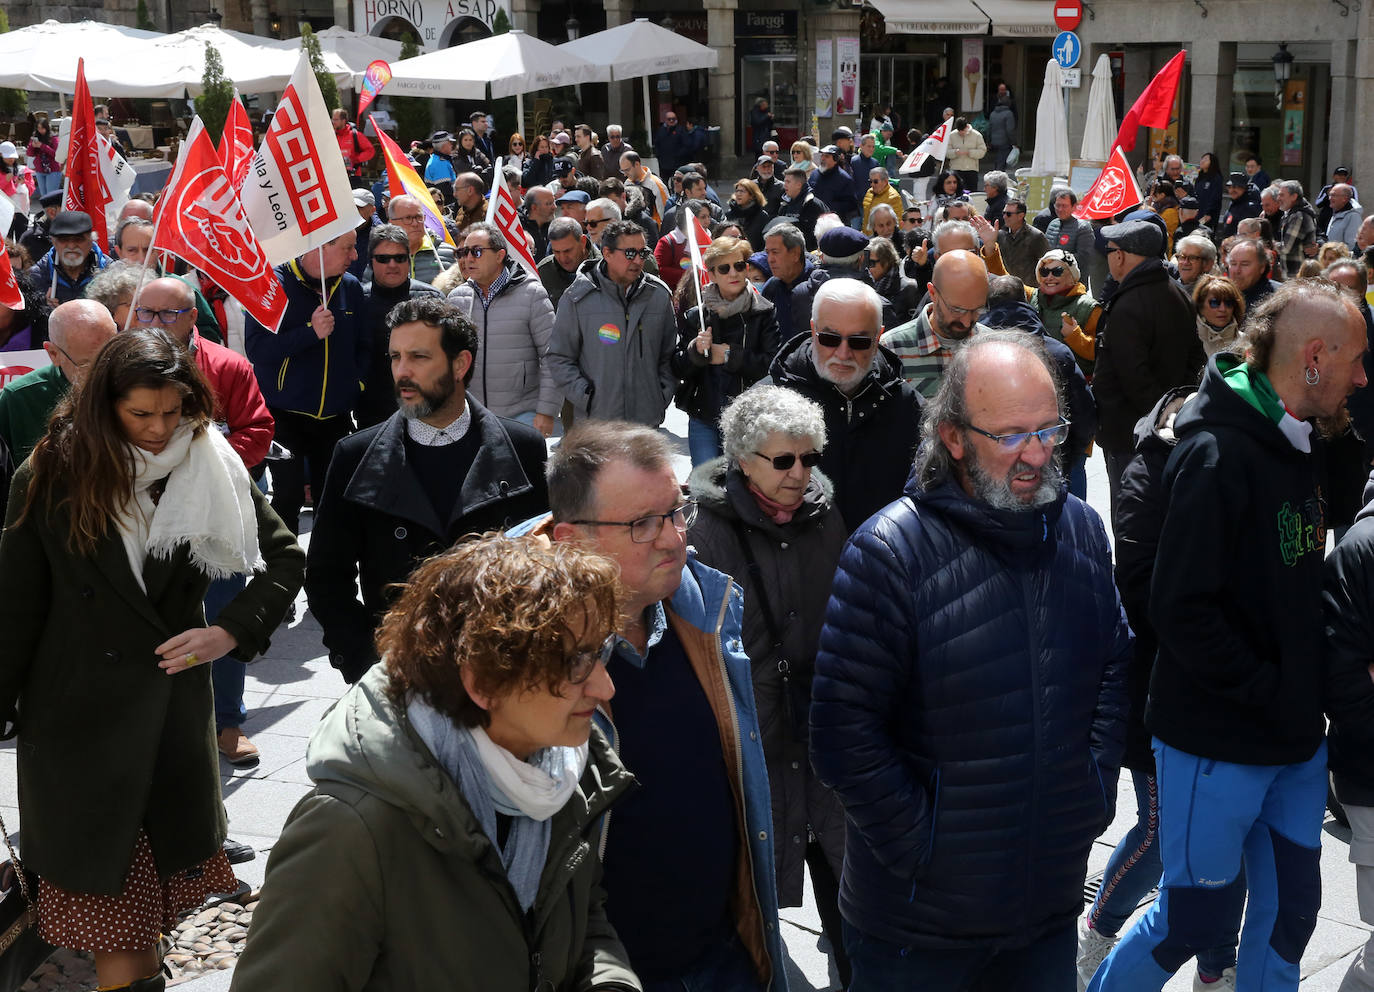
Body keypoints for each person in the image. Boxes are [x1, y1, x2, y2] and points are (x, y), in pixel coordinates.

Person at [812, 329, 1130, 992]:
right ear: (953, 436)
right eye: (1011, 434)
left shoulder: (1080, 527)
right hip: (918, 933)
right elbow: (843, 734)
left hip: (1043, 913)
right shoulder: (889, 551)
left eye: (1051, 429)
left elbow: (1113, 668)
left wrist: (1090, 797)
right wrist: (925, 850)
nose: (1038, 454)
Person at [0, 327, 303, 992]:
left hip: (170, 728)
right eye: (141, 414)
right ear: (102, 404)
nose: (160, 429)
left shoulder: (210, 461)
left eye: (173, 412)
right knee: (123, 935)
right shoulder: (48, 472)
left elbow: (286, 559)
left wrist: (228, 633)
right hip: (76, 731)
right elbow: (15, 608)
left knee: (140, 930)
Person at [1087, 278, 1368, 991]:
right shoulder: (1215, 454)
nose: (1364, 378)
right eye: (1356, 360)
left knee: (1292, 913)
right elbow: (1181, 610)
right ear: (1312, 357)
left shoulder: (1302, 432)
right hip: (1216, 741)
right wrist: (1270, 690)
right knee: (1195, 922)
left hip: (1294, 740)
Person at [235, 534, 641, 992]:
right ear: (483, 682)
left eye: (599, 652)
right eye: (574, 663)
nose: (605, 687)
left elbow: (580, 923)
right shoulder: (350, 830)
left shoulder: (561, 771)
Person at [514, 422, 786, 992]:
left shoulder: (702, 603)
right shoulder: (519, 653)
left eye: (677, 511)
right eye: (642, 524)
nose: (675, 540)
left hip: (723, 956)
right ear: (569, 539)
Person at [1077, 382, 1245, 992]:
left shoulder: (1248, 458)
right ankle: (1100, 926)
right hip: (1159, 684)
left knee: (1234, 832)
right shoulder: (1151, 469)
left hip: (1230, 691)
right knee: (1159, 826)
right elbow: (1145, 587)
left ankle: (1217, 965)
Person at [686, 385, 850, 988]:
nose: (799, 473)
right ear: (741, 460)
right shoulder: (702, 530)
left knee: (847, 881)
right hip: (748, 735)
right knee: (750, 893)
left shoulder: (825, 513)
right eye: (783, 460)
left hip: (821, 730)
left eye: (808, 458)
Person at [306, 297, 549, 685]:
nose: (402, 372)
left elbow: (547, 566)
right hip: (399, 677)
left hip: (500, 677)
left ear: (460, 364)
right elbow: (325, 577)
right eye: (395, 357)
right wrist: (367, 665)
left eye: (418, 357)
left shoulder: (523, 448)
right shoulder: (354, 455)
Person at [130, 277, 277, 765]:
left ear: (193, 318)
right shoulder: (122, 367)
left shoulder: (228, 366)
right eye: (145, 313)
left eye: (167, 314)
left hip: (214, 517)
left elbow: (258, 429)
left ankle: (228, 721)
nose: (154, 323)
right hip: (144, 516)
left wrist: (203, 470)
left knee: (221, 614)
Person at [770, 279, 924, 531]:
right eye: (830, 338)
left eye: (859, 341)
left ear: (878, 337)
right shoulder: (768, 403)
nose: (843, 354)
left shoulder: (909, 408)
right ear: (813, 330)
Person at [244, 228, 369, 536]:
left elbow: (364, 346)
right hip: (284, 416)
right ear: (323, 247)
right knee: (287, 496)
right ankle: (281, 571)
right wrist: (309, 334)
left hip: (335, 418)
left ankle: (327, 576)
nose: (355, 255)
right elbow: (258, 350)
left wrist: (357, 385)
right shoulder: (273, 284)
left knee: (332, 500)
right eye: (348, 248)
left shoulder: (350, 287)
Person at [1092, 220, 1202, 521]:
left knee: (1131, 516)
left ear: (1123, 256)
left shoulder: (1129, 304)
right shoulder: (1177, 293)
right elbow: (1196, 358)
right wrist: (1172, 412)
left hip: (1132, 434)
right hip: (1166, 429)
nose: (1109, 257)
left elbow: (1134, 378)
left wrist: (1154, 419)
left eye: (1110, 251)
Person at [547, 220, 676, 426]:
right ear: (607, 253)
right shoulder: (577, 297)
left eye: (643, 253)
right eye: (630, 253)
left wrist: (660, 396)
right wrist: (587, 398)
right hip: (596, 425)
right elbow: (559, 357)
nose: (638, 260)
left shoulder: (658, 296)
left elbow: (668, 354)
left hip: (645, 424)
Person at [671, 236, 780, 466]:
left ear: (747, 269)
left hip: (748, 420)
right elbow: (678, 366)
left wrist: (731, 356)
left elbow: (772, 365)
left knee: (742, 490)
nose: (733, 273)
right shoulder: (697, 316)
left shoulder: (764, 312)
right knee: (707, 489)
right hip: (705, 416)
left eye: (739, 266)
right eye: (724, 268)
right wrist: (696, 351)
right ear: (712, 274)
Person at [444, 222, 559, 436]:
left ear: (500, 255)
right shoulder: (457, 298)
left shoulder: (532, 294)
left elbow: (552, 356)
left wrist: (546, 411)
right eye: (463, 252)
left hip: (523, 415)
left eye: (477, 252)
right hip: (470, 416)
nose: (468, 258)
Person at [0, 298, 114, 473]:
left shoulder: (133, 384)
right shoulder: (18, 399)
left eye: (112, 356)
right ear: (53, 353)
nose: (104, 371)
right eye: (87, 365)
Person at [357, 225, 443, 429]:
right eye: (383, 259)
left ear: (409, 258)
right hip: (372, 414)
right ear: (371, 261)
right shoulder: (358, 301)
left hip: (425, 411)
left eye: (400, 257)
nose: (392, 264)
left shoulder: (431, 298)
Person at [882, 248, 990, 398]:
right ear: (932, 294)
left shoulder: (995, 346)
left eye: (977, 310)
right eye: (957, 309)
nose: (966, 322)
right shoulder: (891, 349)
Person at [1030, 249, 1100, 377]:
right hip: (1040, 378)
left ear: (1072, 276)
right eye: (1044, 272)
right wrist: (990, 248)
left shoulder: (1089, 307)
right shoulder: (1033, 296)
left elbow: (1099, 353)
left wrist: (1074, 335)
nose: (1049, 277)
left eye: (1057, 272)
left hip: (1076, 383)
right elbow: (1006, 283)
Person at [28, 210, 109, 304]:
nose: (71, 246)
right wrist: (44, 309)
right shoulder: (37, 276)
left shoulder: (111, 273)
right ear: (54, 242)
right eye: (64, 239)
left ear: (91, 240)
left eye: (78, 239)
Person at [385, 194, 456, 285]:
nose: (415, 223)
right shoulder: (381, 256)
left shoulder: (448, 254)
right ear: (392, 222)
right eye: (408, 218)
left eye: (419, 217)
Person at [867, 236, 919, 327]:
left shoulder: (909, 289)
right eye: (864, 262)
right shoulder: (865, 287)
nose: (866, 267)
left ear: (886, 261)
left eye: (871, 263)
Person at [1192, 273, 1246, 357]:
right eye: (1215, 303)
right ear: (1200, 306)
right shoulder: (1188, 340)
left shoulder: (1246, 342)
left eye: (1228, 303)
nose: (1223, 309)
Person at [775, 167, 828, 251]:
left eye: (788, 182)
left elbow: (826, 233)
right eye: (784, 181)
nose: (784, 185)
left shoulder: (814, 205)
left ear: (799, 185)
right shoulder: (784, 205)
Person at [1277, 180, 1319, 278]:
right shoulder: (1290, 214)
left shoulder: (1298, 216)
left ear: (1294, 197)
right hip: (1293, 274)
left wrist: (1270, 245)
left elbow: (1286, 248)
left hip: (1297, 275)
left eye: (1282, 195)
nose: (1278, 198)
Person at [1227, 237, 1281, 311]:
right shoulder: (1221, 295)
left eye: (1244, 264)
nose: (1237, 270)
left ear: (1262, 267)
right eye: (1233, 264)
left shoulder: (1279, 297)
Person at [332, 108, 375, 183]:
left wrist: (357, 159)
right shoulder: (331, 135)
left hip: (353, 176)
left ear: (343, 120)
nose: (333, 122)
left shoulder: (355, 135)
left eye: (336, 120)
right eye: (333, 119)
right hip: (335, 175)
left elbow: (370, 151)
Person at [727, 179, 768, 252]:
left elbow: (765, 243)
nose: (738, 194)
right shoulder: (729, 215)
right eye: (737, 191)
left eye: (742, 191)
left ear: (752, 195)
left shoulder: (762, 216)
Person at [26, 116, 61, 199]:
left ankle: (53, 212)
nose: (40, 130)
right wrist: (32, 146)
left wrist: (42, 146)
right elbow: (29, 154)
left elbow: (56, 154)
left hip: (53, 170)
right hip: (40, 170)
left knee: (51, 196)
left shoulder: (54, 138)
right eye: (38, 128)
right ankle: (47, 212)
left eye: (42, 128)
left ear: (47, 127)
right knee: (43, 196)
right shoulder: (35, 137)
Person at [1326, 184, 1362, 250]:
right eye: (1330, 195)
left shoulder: (1353, 216)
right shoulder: (1337, 212)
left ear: (1344, 199)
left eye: (1333, 195)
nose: (1330, 198)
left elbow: (1351, 246)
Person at [987, 95, 1017, 171]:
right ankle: (998, 178)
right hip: (1004, 141)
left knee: (997, 160)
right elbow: (1010, 130)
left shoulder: (993, 114)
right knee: (1002, 163)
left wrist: (989, 140)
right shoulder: (1008, 114)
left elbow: (989, 128)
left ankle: (995, 175)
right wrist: (1014, 142)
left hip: (994, 141)